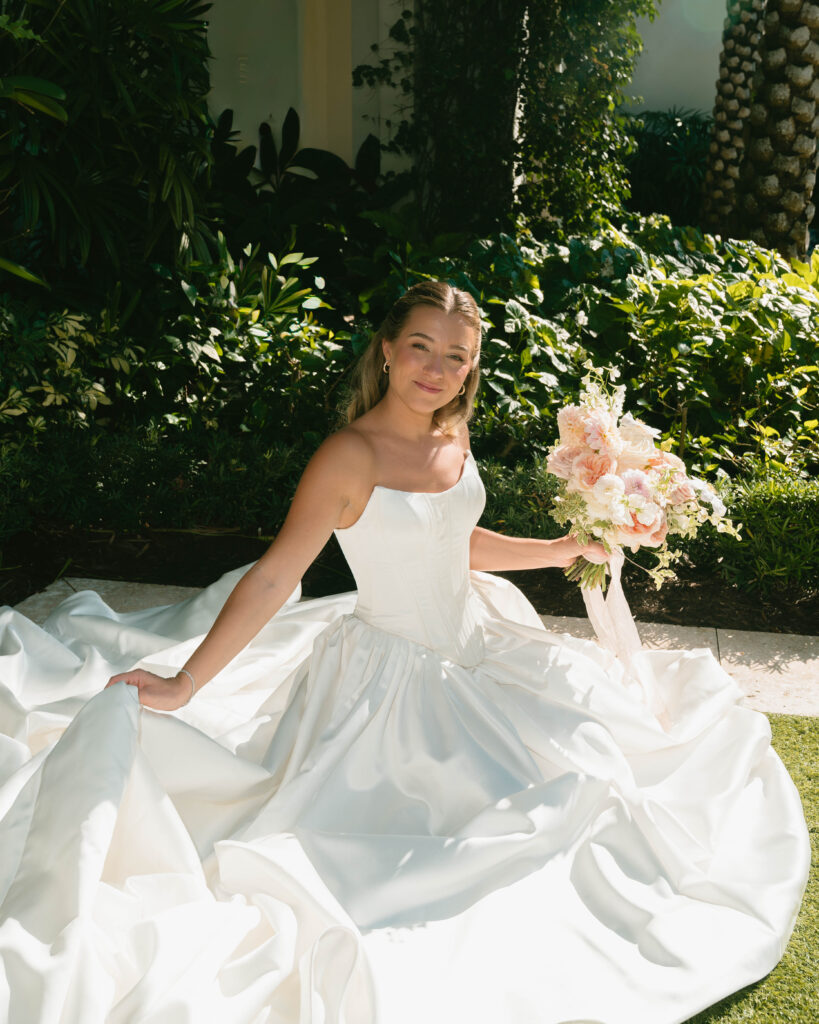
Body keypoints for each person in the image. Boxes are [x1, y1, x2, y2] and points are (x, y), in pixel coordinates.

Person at [0, 281, 809, 1024]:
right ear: (386, 349)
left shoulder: (452, 439)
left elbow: (460, 541)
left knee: (599, 772)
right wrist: (184, 682)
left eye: (456, 356)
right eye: (420, 346)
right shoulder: (347, 456)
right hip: (390, 677)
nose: (436, 368)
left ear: (470, 370)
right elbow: (277, 574)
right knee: (489, 831)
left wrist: (563, 548)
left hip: (480, 647)